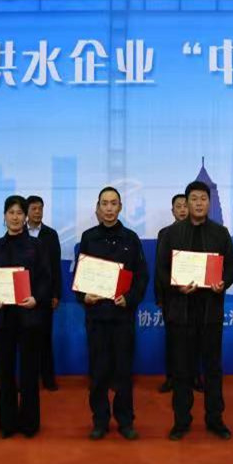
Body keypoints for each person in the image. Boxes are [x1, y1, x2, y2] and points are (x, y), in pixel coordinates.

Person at [156, 180, 233, 441]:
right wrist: (176, 286)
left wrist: (223, 281)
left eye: (203, 199)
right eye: (194, 199)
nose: (199, 203)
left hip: (210, 312)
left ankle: (215, 419)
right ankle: (181, 421)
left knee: (213, 370)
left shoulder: (220, 233)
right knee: (181, 370)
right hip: (181, 313)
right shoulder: (171, 234)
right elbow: (161, 270)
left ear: (209, 203)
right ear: (186, 202)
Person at [77, 187, 149, 440]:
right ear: (98, 207)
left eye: (113, 203)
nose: (109, 208)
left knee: (123, 372)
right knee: (98, 373)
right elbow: (80, 276)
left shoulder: (131, 238)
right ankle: (100, 420)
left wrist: (129, 298)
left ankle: (125, 420)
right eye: (104, 203)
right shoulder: (88, 238)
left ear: (120, 207)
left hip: (122, 316)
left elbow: (141, 277)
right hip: (96, 316)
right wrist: (83, 296)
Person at [0, 195, 52, 438]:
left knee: (29, 372)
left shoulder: (37, 246)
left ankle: (29, 423)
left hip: (29, 317)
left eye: (19, 213)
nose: (15, 217)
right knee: (5, 372)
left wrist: (37, 299)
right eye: (11, 212)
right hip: (3, 318)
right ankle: (7, 423)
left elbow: (46, 279)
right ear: (4, 216)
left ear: (25, 217)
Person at [155, 193, 191, 394]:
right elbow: (160, 267)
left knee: (194, 339)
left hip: (195, 295)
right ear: (173, 211)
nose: (183, 210)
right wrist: (160, 296)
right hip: (172, 296)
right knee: (172, 339)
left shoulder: (199, 232)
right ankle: (171, 378)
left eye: (185, 206)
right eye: (179, 206)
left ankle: (194, 377)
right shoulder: (165, 233)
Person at [26, 195, 61, 391]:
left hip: (45, 293)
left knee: (45, 338)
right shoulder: (20, 232)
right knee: (26, 341)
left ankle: (48, 379)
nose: (38, 212)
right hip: (24, 294)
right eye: (34, 208)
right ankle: (27, 380)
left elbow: (55, 266)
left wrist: (56, 294)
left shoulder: (50, 234)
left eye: (40, 208)